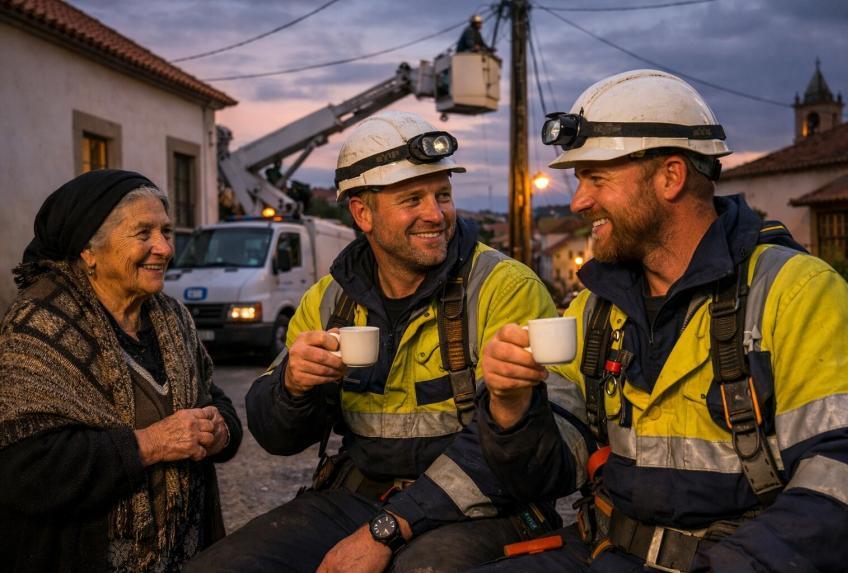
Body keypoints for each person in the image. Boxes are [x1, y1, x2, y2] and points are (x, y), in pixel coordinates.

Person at [475, 69, 848, 572]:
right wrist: (511, 408)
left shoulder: (796, 292)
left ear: (670, 177)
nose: (578, 201)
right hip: (604, 551)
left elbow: (845, 478)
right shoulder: (596, 309)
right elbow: (545, 473)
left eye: (597, 178)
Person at [186, 110, 575, 573]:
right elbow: (274, 437)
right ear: (362, 213)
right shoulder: (329, 298)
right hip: (358, 499)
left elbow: (530, 454)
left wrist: (388, 528)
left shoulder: (503, 287)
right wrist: (293, 387)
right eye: (412, 199)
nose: (435, 214)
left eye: (443, 195)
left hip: (486, 508)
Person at [0, 170, 243, 572]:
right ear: (87, 251)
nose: (163, 248)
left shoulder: (172, 316)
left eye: (166, 231)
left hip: (186, 553)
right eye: (143, 233)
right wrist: (151, 443)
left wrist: (221, 431)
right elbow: (24, 467)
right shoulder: (39, 326)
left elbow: (212, 395)